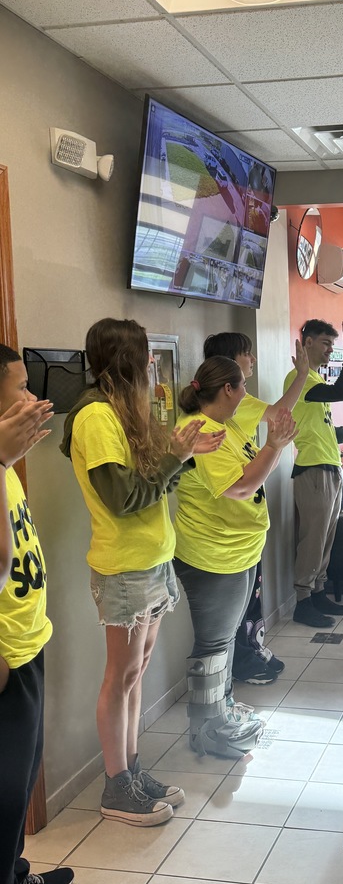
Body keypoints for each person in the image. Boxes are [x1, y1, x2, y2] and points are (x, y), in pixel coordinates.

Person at [62, 318, 224, 826]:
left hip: (151, 561)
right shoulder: (94, 417)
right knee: (121, 675)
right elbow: (125, 496)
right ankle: (116, 787)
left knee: (136, 674)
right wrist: (175, 457)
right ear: (128, 360)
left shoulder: (121, 411)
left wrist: (181, 455)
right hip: (125, 568)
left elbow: (150, 482)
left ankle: (130, 771)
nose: (154, 364)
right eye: (147, 355)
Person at [173, 356, 296, 757]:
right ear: (227, 389)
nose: (246, 392)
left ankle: (220, 713)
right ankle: (206, 731)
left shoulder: (226, 426)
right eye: (242, 384)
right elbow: (241, 487)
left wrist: (273, 444)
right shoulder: (198, 432)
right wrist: (275, 446)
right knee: (213, 646)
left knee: (224, 644)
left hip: (238, 553)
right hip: (212, 557)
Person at [0, 348, 72, 884]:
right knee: (1, 792)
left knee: (20, 780)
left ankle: (13, 877)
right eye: (19, 391)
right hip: (2, 655)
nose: (33, 402)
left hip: (27, 641)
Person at [202, 331, 309, 684]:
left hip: (246, 534)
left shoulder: (235, 409)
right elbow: (243, 484)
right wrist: (303, 376)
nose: (253, 360)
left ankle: (252, 652)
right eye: (247, 354)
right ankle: (242, 665)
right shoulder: (211, 421)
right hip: (224, 541)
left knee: (250, 604)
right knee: (230, 618)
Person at [284, 319, 343, 629]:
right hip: (312, 471)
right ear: (306, 343)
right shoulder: (299, 380)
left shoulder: (314, 382)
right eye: (325, 343)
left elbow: (325, 431)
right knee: (313, 539)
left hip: (330, 468)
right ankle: (303, 601)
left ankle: (318, 592)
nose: (329, 349)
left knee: (326, 539)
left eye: (332, 345)